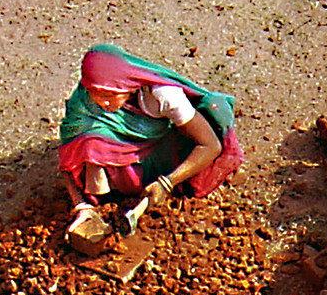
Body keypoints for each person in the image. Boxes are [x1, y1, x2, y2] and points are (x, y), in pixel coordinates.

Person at [58, 44, 244, 247]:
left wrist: (168, 182)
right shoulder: (85, 100)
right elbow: (68, 155)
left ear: (126, 85)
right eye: (96, 94)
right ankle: (103, 195)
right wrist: (81, 206)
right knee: (89, 144)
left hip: (161, 148)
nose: (103, 103)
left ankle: (134, 183)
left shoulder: (163, 96)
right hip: (125, 157)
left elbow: (210, 145)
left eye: (111, 95)